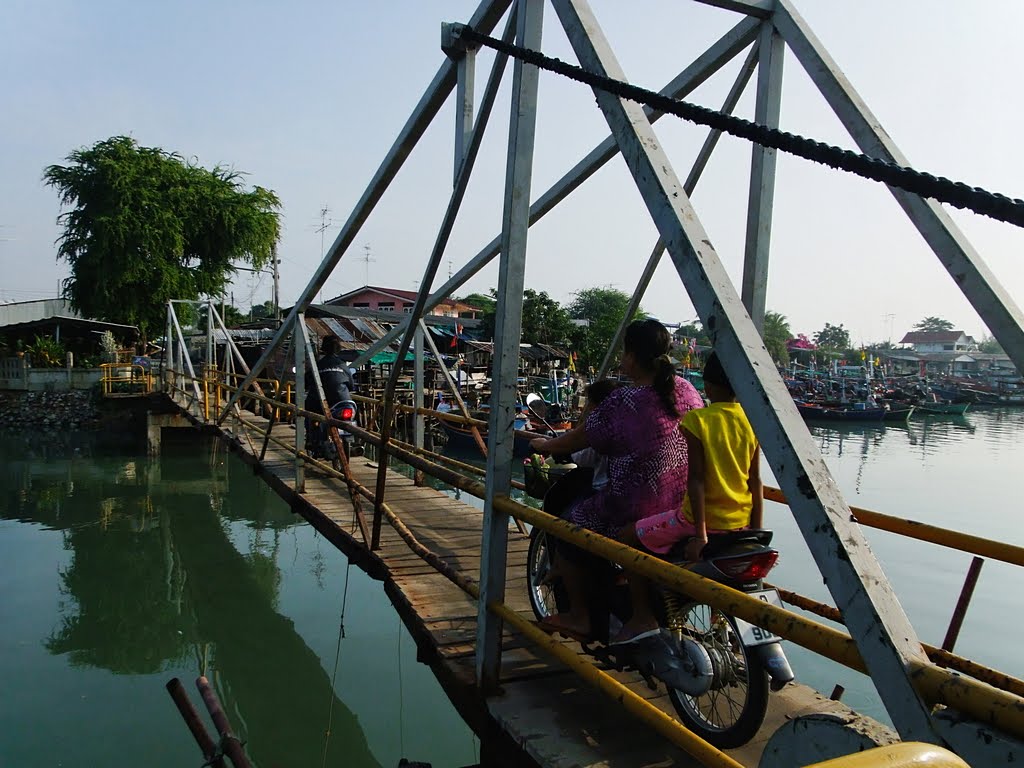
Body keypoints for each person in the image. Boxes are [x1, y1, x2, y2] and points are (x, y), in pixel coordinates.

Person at [528, 319, 704, 640]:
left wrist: (545, 445)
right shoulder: (687, 390)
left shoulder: (625, 402)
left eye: (624, 353)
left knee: (568, 527)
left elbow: (578, 440)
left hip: (635, 504)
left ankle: (580, 616)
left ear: (633, 357)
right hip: (685, 502)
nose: (622, 361)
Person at [615, 351, 763, 643]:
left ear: (707, 385)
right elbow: (754, 481)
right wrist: (756, 532)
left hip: (698, 520)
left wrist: (700, 535)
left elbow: (696, 481)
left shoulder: (698, 421)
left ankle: (642, 617)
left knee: (628, 537)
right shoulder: (752, 422)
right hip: (742, 523)